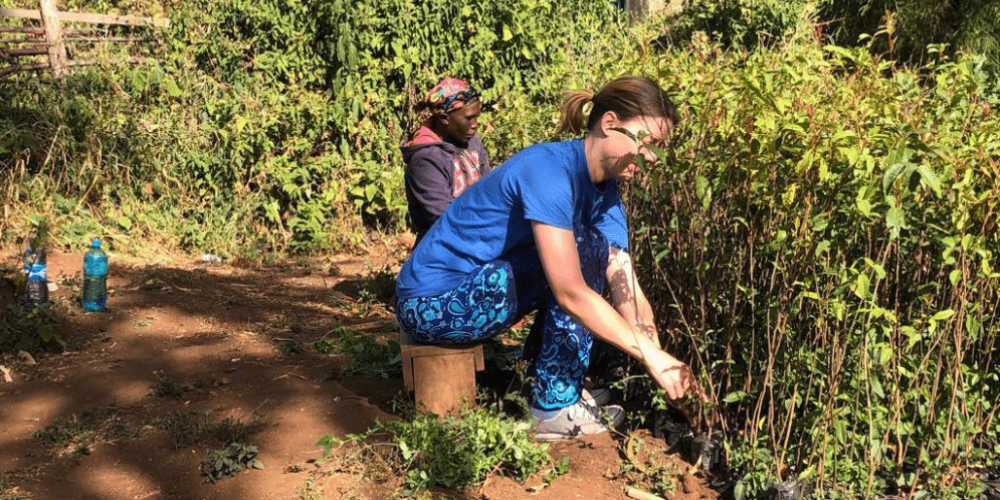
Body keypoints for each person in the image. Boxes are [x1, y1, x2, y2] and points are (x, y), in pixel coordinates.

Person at [395, 76, 702, 440]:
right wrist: (652, 358)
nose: (653, 156)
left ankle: (539, 386)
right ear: (610, 123)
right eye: (648, 142)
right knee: (585, 249)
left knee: (589, 247)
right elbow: (570, 291)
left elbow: (626, 286)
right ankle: (553, 405)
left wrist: (659, 357)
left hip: (470, 290)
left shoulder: (606, 192)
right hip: (430, 305)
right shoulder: (549, 171)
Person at [402, 77, 491, 244]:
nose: (475, 125)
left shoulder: (472, 141)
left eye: (476, 117)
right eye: (469, 118)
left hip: (478, 235)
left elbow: (491, 188)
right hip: (443, 249)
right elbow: (444, 219)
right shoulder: (425, 159)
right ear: (444, 118)